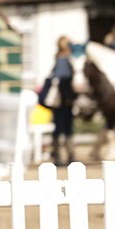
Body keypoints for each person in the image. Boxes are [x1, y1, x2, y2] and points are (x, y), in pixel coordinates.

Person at [43, 36, 76, 167]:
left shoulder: (60, 58)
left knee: (61, 127)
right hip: (62, 100)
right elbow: (62, 79)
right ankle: (62, 155)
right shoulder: (63, 60)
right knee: (64, 127)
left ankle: (62, 154)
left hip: (61, 100)